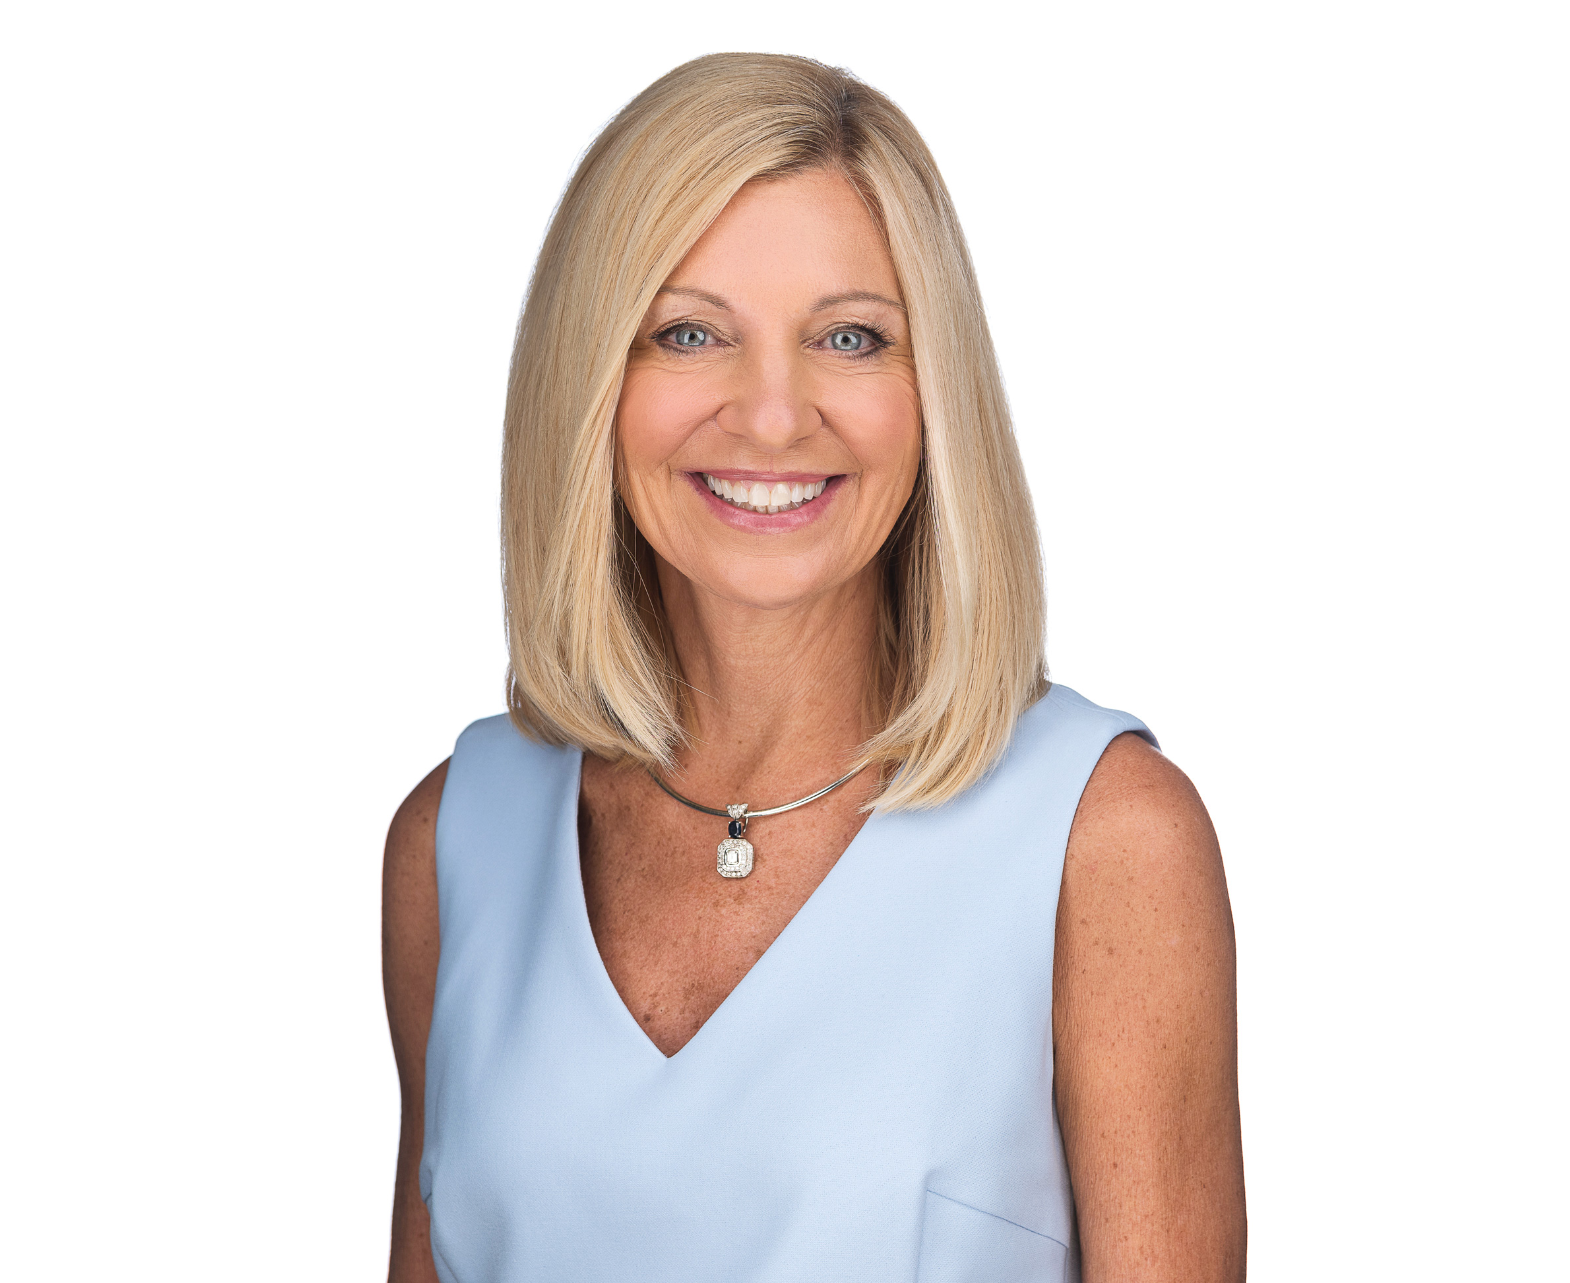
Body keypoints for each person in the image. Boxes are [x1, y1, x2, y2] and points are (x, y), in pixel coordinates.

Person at [382, 53, 1244, 1283]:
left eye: (849, 337)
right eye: (689, 333)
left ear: (932, 390)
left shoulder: (1105, 839)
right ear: (590, 380)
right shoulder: (456, 836)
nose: (774, 416)